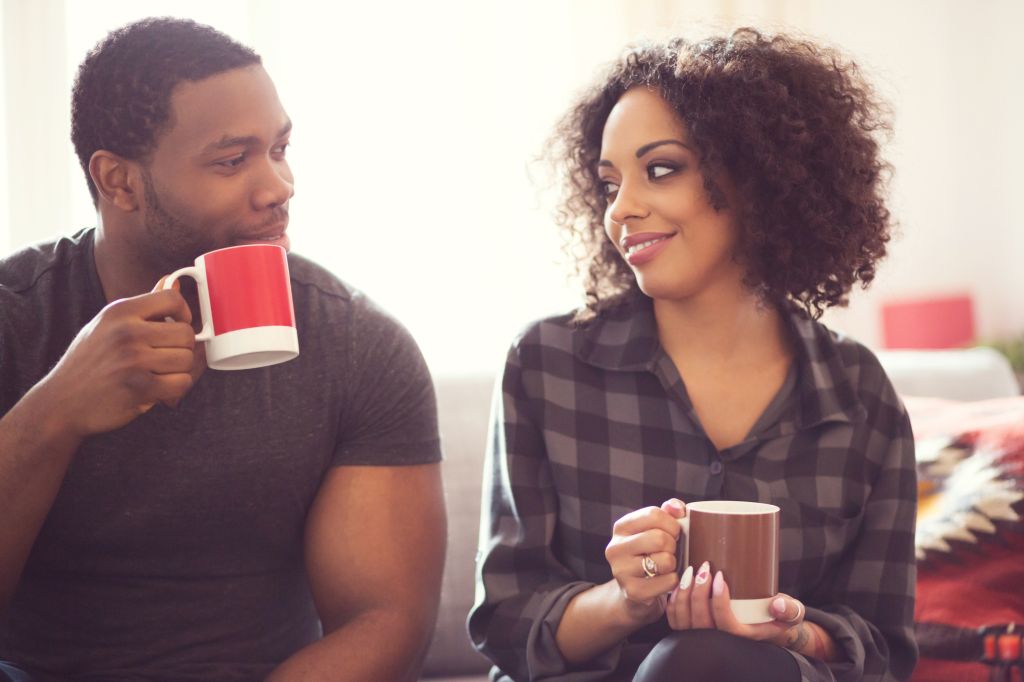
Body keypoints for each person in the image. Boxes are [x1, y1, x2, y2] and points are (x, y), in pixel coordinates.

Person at [0, 17, 446, 682]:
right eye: (233, 160)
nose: (278, 187)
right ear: (120, 182)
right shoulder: (16, 322)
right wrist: (53, 414)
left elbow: (383, 621)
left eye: (280, 149)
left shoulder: (360, 345)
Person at [469, 28, 917, 682]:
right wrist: (625, 600)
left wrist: (793, 631)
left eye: (660, 169)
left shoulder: (857, 395)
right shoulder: (548, 365)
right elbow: (506, 624)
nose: (621, 209)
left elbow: (882, 650)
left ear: (759, 176)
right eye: (609, 182)